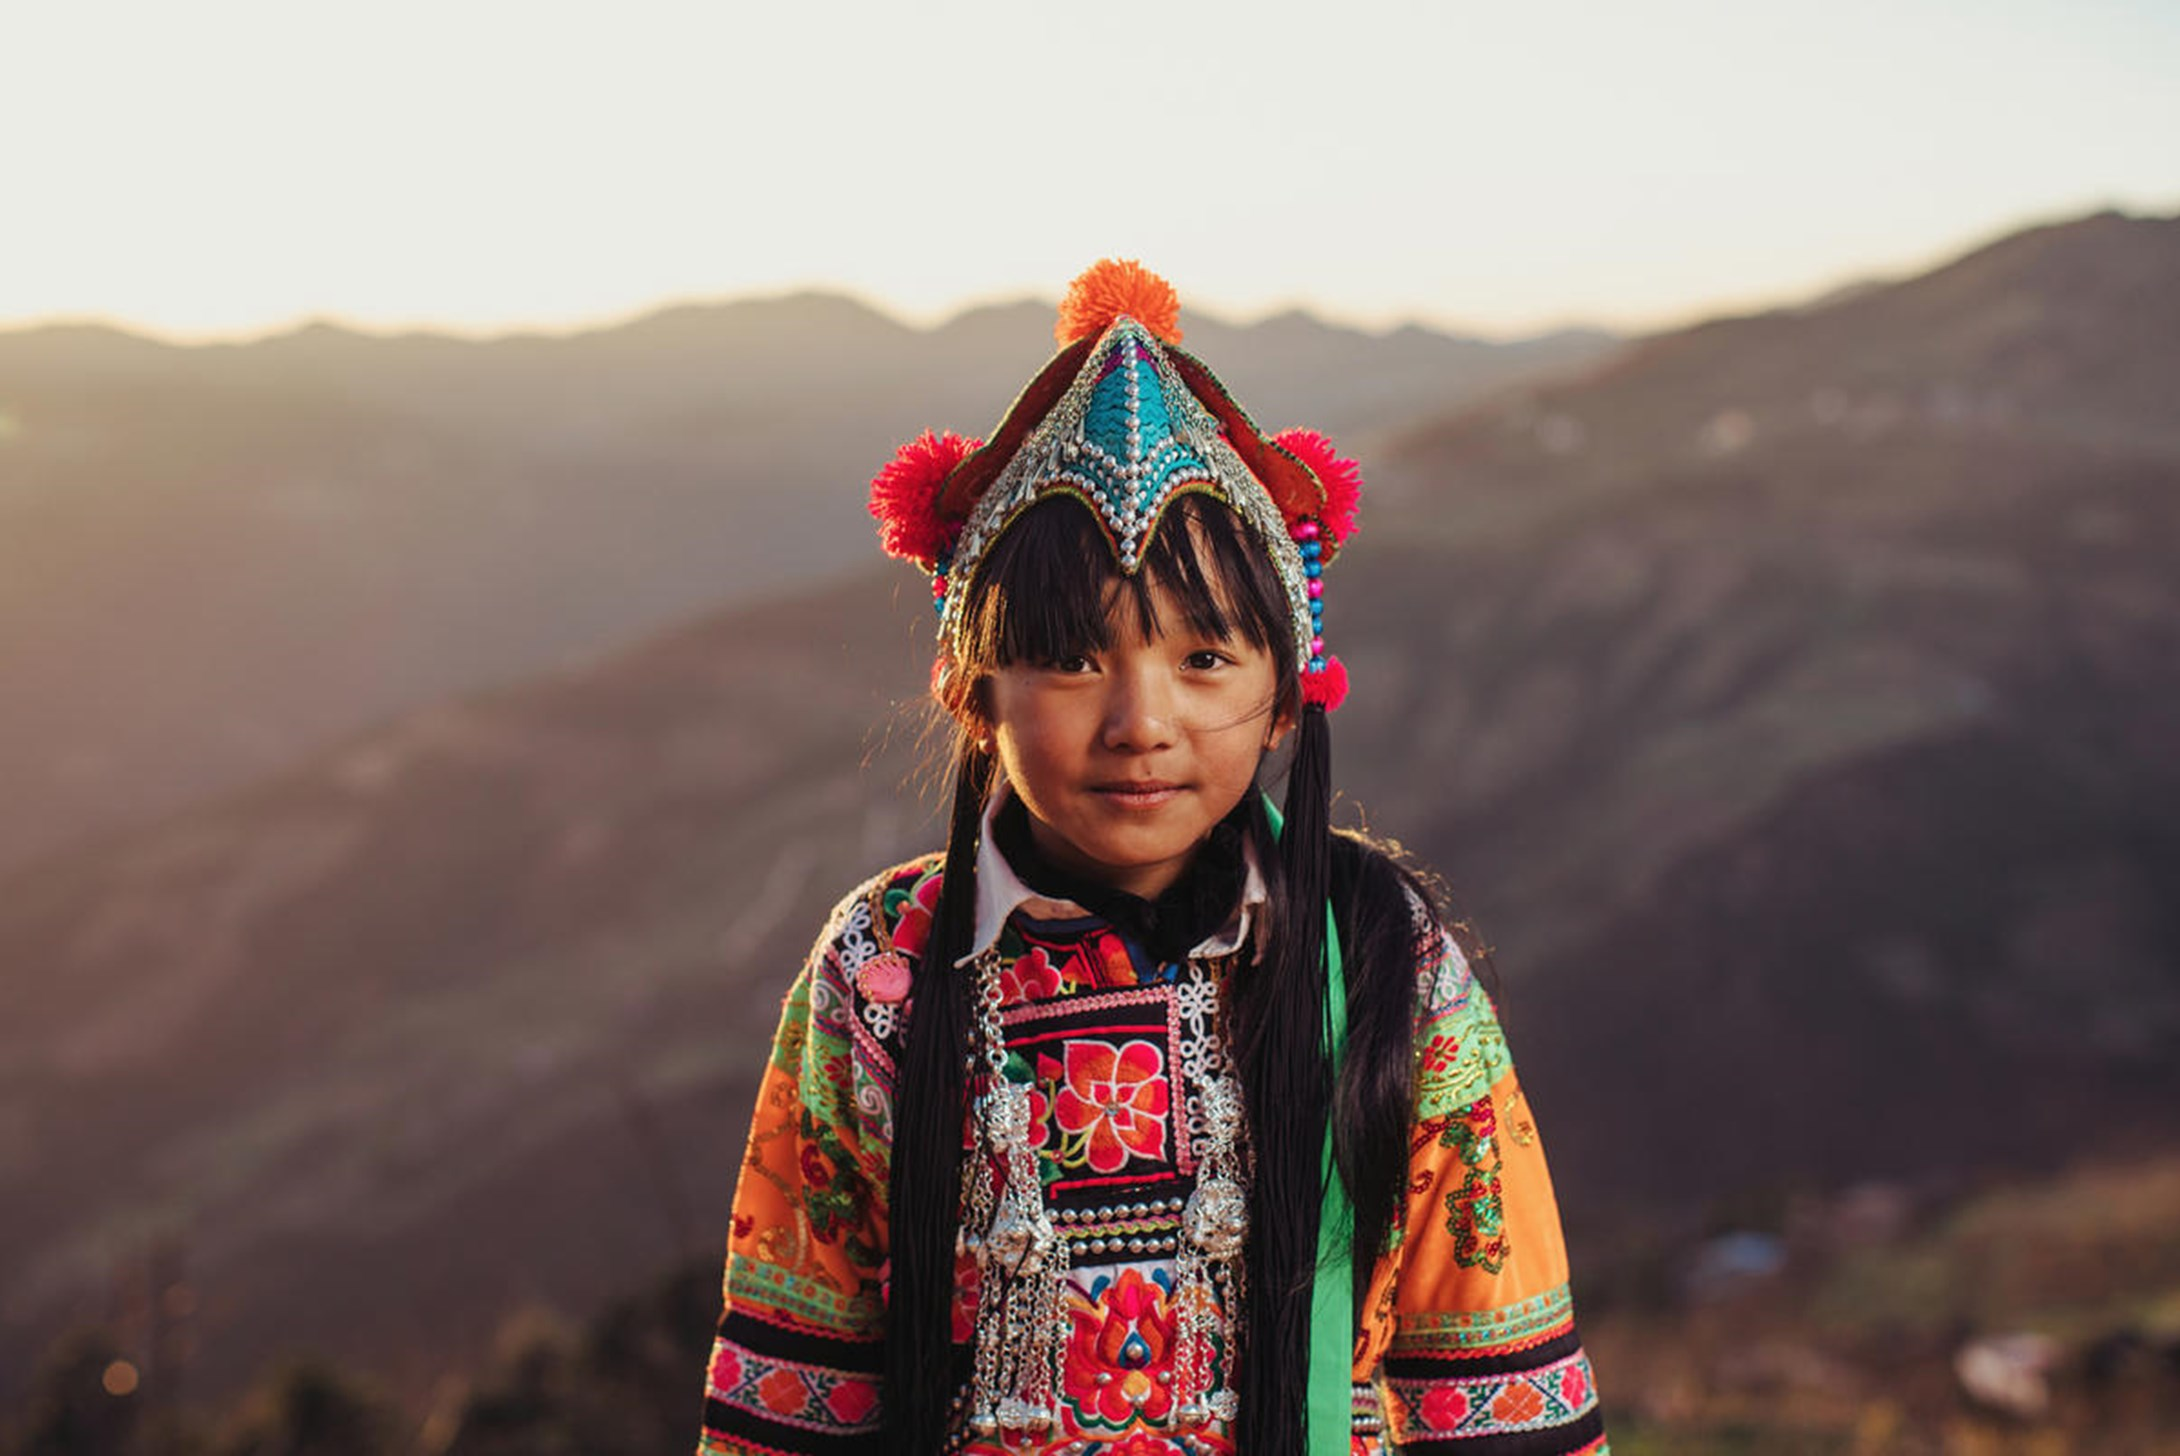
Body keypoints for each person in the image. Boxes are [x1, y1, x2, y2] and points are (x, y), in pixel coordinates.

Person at [695, 261, 1607, 1455]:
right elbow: (793, 1400)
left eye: (1205, 661)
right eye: (1072, 660)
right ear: (977, 694)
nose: (1140, 721)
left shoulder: (1384, 961)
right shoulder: (882, 972)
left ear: (1286, 696)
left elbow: (1499, 1394)